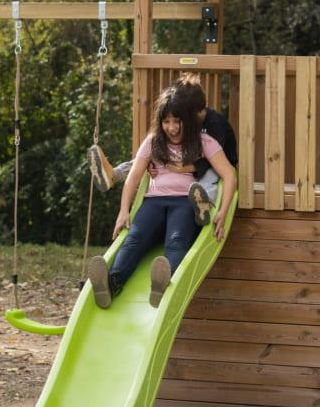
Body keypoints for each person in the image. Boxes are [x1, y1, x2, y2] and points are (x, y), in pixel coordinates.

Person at [85, 86, 237, 309]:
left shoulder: (204, 141)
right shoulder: (153, 141)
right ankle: (112, 283)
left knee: (175, 242)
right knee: (134, 238)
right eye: (166, 122)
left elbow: (229, 175)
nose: (172, 128)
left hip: (185, 201)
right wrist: (123, 211)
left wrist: (223, 212)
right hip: (154, 200)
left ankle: (163, 284)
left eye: (178, 121)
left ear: (187, 119)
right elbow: (133, 178)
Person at [88, 73, 238, 227]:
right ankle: (113, 174)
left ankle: (205, 206)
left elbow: (211, 161)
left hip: (214, 165)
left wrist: (188, 167)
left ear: (194, 111)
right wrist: (152, 162)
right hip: (188, 161)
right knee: (145, 158)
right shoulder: (185, 125)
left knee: (208, 179)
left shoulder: (215, 125)